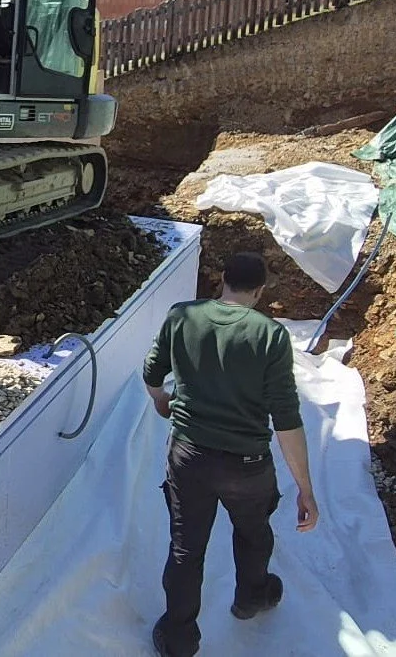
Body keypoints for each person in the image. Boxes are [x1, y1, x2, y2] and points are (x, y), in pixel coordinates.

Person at [142, 251, 319, 657]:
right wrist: (305, 488)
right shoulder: (270, 336)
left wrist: (162, 401)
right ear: (259, 292)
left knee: (187, 548)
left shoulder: (182, 316)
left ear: (222, 279)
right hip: (248, 466)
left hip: (189, 458)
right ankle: (251, 598)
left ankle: (179, 640)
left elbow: (152, 374)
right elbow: (286, 419)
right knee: (254, 533)